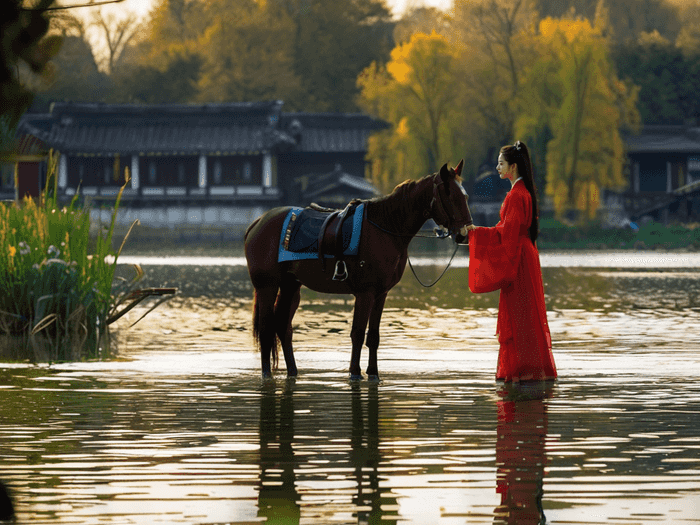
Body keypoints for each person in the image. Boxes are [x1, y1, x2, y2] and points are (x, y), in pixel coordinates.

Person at [467, 141, 557, 382]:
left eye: (501, 163)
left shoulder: (517, 195)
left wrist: (476, 234)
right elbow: (507, 230)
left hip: (518, 259)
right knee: (526, 314)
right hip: (525, 255)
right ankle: (529, 368)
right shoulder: (524, 192)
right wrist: (477, 232)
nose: (497, 168)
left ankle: (519, 371)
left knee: (518, 315)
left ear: (513, 167)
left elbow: (507, 234)